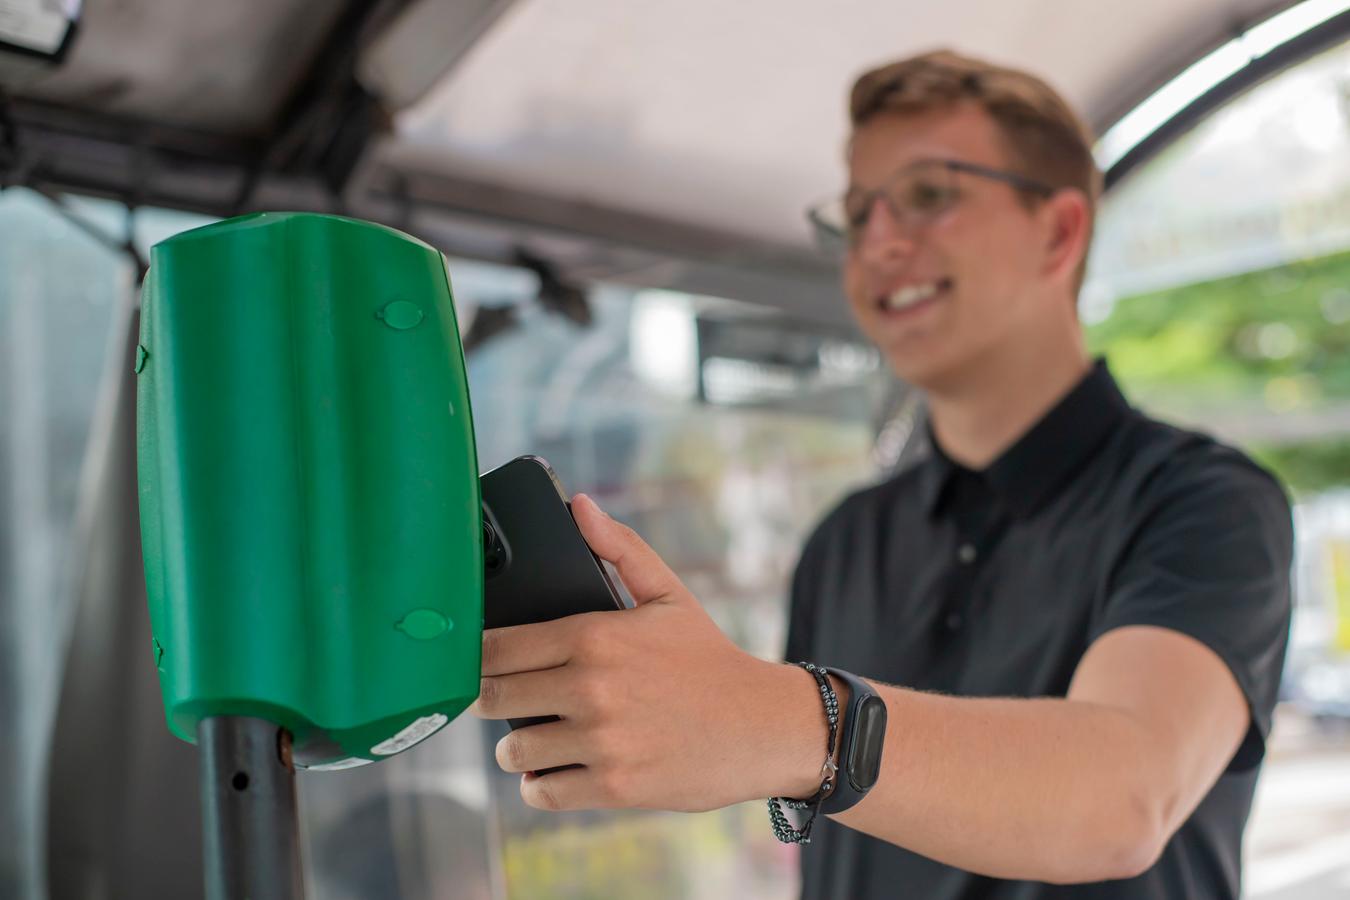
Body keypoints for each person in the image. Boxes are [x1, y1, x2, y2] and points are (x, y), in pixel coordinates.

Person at [470, 50, 1292, 898]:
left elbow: (1124, 798)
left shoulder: (1205, 505)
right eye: (859, 215)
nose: (880, 243)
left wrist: (779, 718)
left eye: (930, 196)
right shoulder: (845, 541)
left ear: (1058, 232)